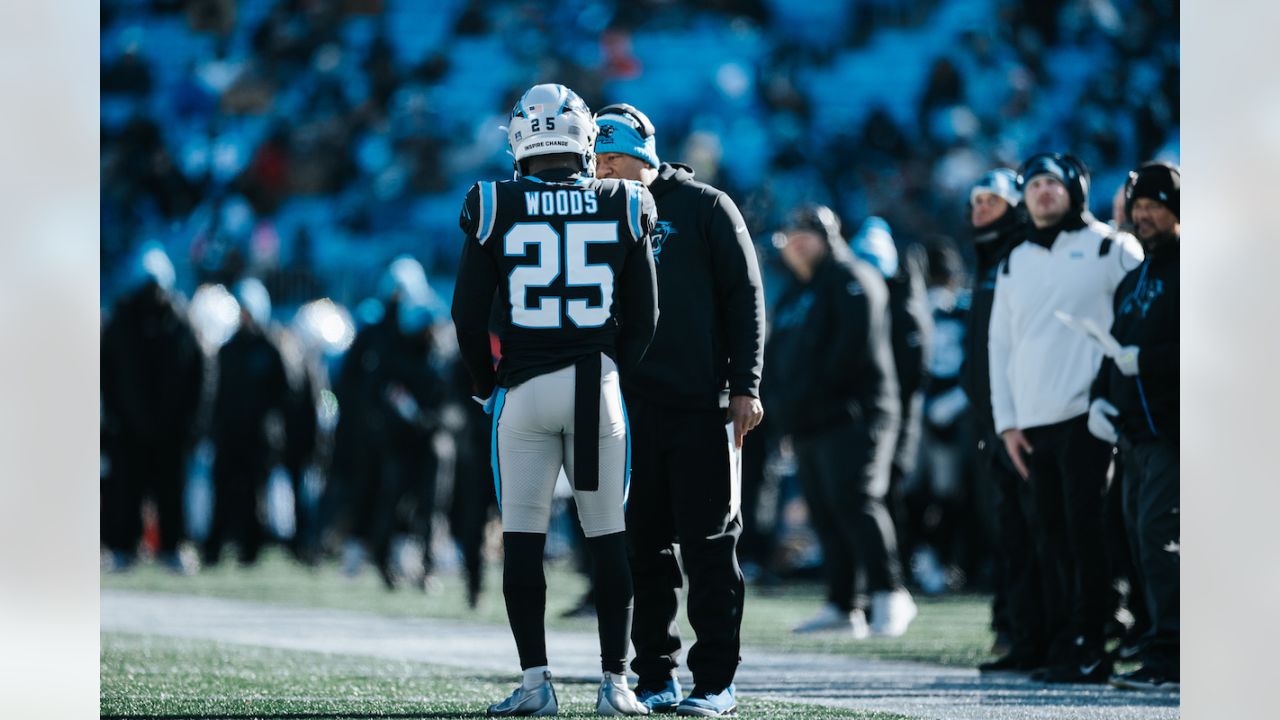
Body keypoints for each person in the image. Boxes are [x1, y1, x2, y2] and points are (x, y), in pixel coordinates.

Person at [452, 83, 658, 717]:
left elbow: (465, 314)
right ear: (584, 138)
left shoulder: (492, 202)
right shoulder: (626, 200)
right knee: (606, 539)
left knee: (523, 541)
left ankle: (537, 685)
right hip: (595, 389)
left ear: (520, 138)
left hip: (525, 393)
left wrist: (488, 385)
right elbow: (646, 316)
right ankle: (616, 684)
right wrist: (609, 370)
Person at [594, 102, 766, 717]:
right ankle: (655, 675)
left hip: (704, 407)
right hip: (630, 409)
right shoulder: (597, 215)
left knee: (711, 547)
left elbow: (745, 297)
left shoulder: (706, 206)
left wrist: (745, 385)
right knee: (642, 548)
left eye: (615, 158)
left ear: (643, 155)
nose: (605, 171)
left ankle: (716, 681)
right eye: (597, 159)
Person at [988, 153, 1143, 683]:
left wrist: (1115, 398)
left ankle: (1093, 640)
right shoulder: (1013, 259)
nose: (1043, 193)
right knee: (1049, 536)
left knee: (1089, 533)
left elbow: (1143, 316)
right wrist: (1007, 423)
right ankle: (1064, 638)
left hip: (1089, 414)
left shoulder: (1110, 246)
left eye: (1053, 183)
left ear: (1075, 189)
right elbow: (999, 346)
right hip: (1033, 421)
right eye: (1033, 186)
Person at [767, 205, 916, 641]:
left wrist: (808, 398)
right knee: (826, 510)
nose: (797, 243)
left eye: (807, 234)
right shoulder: (797, 292)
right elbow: (778, 356)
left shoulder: (852, 276)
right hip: (812, 421)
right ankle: (842, 603)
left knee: (858, 500)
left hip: (855, 413)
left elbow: (852, 349)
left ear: (829, 236)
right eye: (791, 235)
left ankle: (891, 593)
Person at [1089, 162, 1180, 692]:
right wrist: (1103, 398)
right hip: (1136, 433)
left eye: (1155, 206)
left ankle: (1175, 655)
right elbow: (1113, 348)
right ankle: (1156, 642)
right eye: (1137, 206)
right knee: (1139, 538)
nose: (1142, 215)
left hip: (1175, 428)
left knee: (1160, 537)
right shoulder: (1135, 277)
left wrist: (1144, 361)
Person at [960, 169, 1046, 673]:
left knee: (1036, 527)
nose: (981, 211)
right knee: (1008, 528)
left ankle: (1043, 632)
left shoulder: (1023, 254)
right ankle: (1014, 628)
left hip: (1026, 415)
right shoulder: (990, 258)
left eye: (991, 201)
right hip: (993, 419)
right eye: (976, 203)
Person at [101, 242, 205, 573]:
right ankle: (122, 548)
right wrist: (113, 417)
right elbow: (105, 373)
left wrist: (192, 422)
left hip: (170, 427)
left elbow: (200, 376)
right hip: (128, 426)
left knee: (171, 493)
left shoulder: (181, 322)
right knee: (125, 492)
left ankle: (172, 547)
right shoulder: (121, 321)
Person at [204, 278, 290, 567]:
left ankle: (249, 551)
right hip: (229, 433)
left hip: (259, 435)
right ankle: (215, 549)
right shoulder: (227, 351)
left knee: (255, 495)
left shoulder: (271, 349)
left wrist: (276, 431)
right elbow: (216, 394)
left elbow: (284, 395)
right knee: (223, 490)